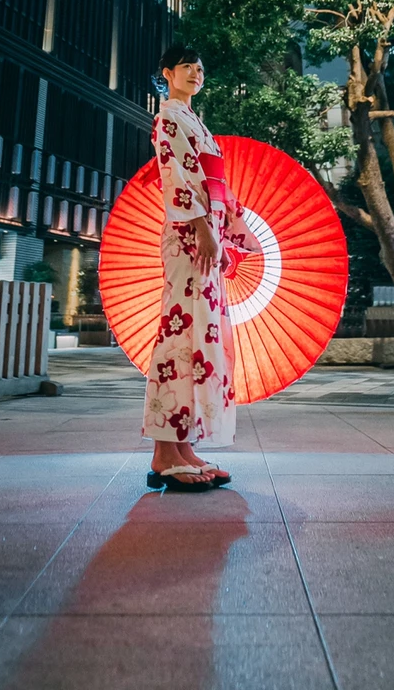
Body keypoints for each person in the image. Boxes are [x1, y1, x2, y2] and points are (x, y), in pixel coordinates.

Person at [142, 45, 261, 492]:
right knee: (179, 334)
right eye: (187, 67)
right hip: (189, 234)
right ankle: (163, 450)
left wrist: (226, 233)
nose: (197, 72)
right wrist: (204, 229)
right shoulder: (169, 116)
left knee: (199, 338)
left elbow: (217, 186)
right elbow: (178, 175)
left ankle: (183, 445)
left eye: (201, 68)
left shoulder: (195, 121)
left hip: (205, 234)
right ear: (167, 73)